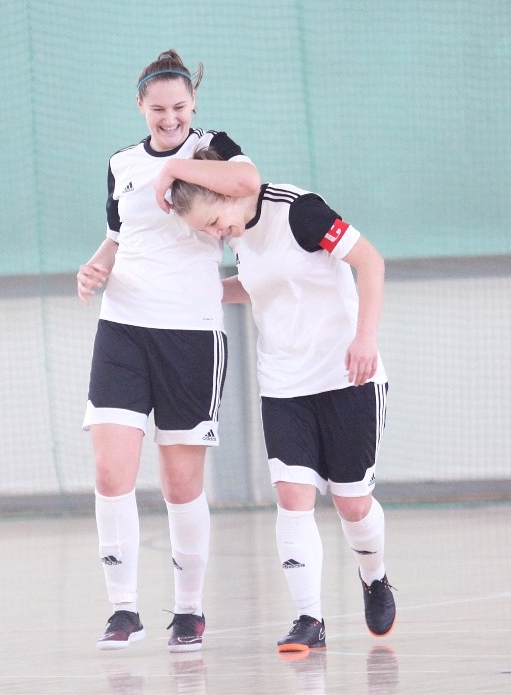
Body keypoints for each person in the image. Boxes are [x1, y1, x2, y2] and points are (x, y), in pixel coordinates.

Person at [167, 148, 396, 653]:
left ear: (229, 191)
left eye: (214, 222)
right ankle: (309, 619)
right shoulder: (237, 234)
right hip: (284, 384)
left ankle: (374, 576)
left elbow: (370, 261)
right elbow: (257, 285)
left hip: (346, 375)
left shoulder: (299, 211)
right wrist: (195, 291)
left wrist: (365, 338)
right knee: (293, 497)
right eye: (207, 231)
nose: (216, 234)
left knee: (352, 503)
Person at [76, 51, 260, 652]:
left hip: (190, 333)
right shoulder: (120, 163)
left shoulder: (213, 146)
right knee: (111, 471)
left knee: (181, 483)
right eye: (158, 108)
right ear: (140, 106)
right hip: (123, 327)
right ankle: (122, 609)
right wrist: (94, 267)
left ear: (193, 104)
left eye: (180, 106)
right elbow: (117, 237)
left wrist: (173, 172)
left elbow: (247, 184)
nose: (170, 117)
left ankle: (189, 610)